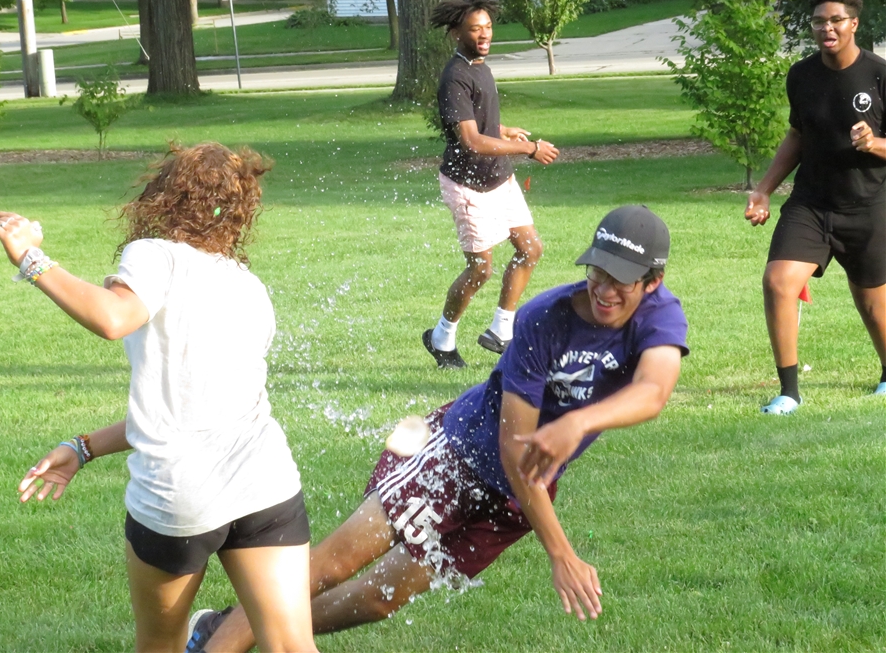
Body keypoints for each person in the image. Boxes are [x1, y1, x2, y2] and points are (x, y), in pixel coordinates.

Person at [188, 205, 688, 653]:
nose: (603, 289)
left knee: (379, 600)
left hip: (512, 499)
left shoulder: (660, 317)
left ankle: (243, 626)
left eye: (620, 280)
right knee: (330, 567)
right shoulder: (544, 319)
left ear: (652, 281)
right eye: (597, 272)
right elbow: (516, 451)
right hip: (452, 452)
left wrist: (577, 422)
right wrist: (561, 553)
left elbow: (654, 392)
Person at [0, 143, 318, 653]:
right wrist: (83, 448)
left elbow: (113, 318)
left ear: (165, 198)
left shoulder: (155, 255)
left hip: (179, 498)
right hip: (266, 487)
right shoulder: (249, 287)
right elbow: (191, 407)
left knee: (160, 645)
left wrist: (31, 257)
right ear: (239, 212)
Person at [744, 0, 886, 414]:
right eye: (819, 21)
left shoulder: (879, 74)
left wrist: (876, 143)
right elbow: (797, 135)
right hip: (811, 203)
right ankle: (788, 391)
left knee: (872, 302)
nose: (827, 27)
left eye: (836, 20)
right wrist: (764, 190)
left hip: (868, 204)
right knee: (778, 282)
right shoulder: (801, 75)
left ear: (854, 24)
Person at [422, 0, 560, 369]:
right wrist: (529, 148)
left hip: (499, 179)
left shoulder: (480, 65)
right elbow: (470, 139)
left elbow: (481, 125)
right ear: (456, 33)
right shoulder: (456, 76)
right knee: (480, 267)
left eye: (487, 27)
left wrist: (505, 129)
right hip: (468, 185)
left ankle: (501, 331)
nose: (484, 34)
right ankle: (441, 337)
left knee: (530, 249)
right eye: (474, 29)